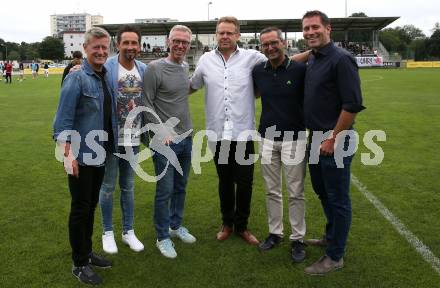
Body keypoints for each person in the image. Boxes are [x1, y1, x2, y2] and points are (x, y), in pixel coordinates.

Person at [190, 16, 267, 245]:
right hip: (218, 134)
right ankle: (227, 223)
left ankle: (242, 226)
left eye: (229, 32)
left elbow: (281, 64)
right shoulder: (204, 60)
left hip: (243, 133)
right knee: (224, 181)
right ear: (216, 34)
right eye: (221, 32)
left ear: (237, 36)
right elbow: (190, 86)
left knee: (245, 183)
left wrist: (312, 54)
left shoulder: (253, 58)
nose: (225, 36)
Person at [300, 10, 365, 275]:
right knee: (323, 191)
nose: (310, 32)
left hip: (335, 139)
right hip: (314, 138)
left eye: (315, 27)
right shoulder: (314, 58)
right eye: (306, 29)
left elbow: (352, 105)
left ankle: (335, 256)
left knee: (338, 198)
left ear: (329, 28)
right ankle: (331, 236)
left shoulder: (341, 59)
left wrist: (333, 137)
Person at [53, 27, 118, 285]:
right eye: (96, 48)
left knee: (90, 206)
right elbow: (62, 121)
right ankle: (79, 264)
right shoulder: (76, 77)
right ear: (86, 49)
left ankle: (87, 252)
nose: (101, 52)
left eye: (104, 48)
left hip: (99, 153)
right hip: (80, 156)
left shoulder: (105, 76)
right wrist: (67, 156)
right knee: (80, 209)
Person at [252, 27, 307, 262]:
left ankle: (298, 239)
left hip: (294, 138)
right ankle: (275, 233)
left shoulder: (300, 69)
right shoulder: (258, 70)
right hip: (266, 138)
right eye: (265, 45)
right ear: (261, 47)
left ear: (283, 43)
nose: (270, 48)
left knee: (295, 192)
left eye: (274, 43)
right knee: (272, 190)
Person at [143, 25, 196, 259]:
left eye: (185, 42)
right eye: (176, 41)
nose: (180, 45)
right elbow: (146, 103)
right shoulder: (155, 68)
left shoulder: (185, 67)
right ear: (168, 41)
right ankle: (162, 236)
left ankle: (175, 226)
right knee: (164, 191)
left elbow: (180, 95)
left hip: (186, 138)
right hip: (164, 142)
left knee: (180, 187)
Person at [99, 25, 147, 255]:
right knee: (108, 186)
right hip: (110, 139)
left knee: (128, 186)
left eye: (134, 43)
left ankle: (128, 231)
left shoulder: (144, 69)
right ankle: (107, 232)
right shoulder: (105, 68)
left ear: (139, 46)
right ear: (117, 44)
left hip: (134, 139)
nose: (130, 47)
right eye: (125, 42)